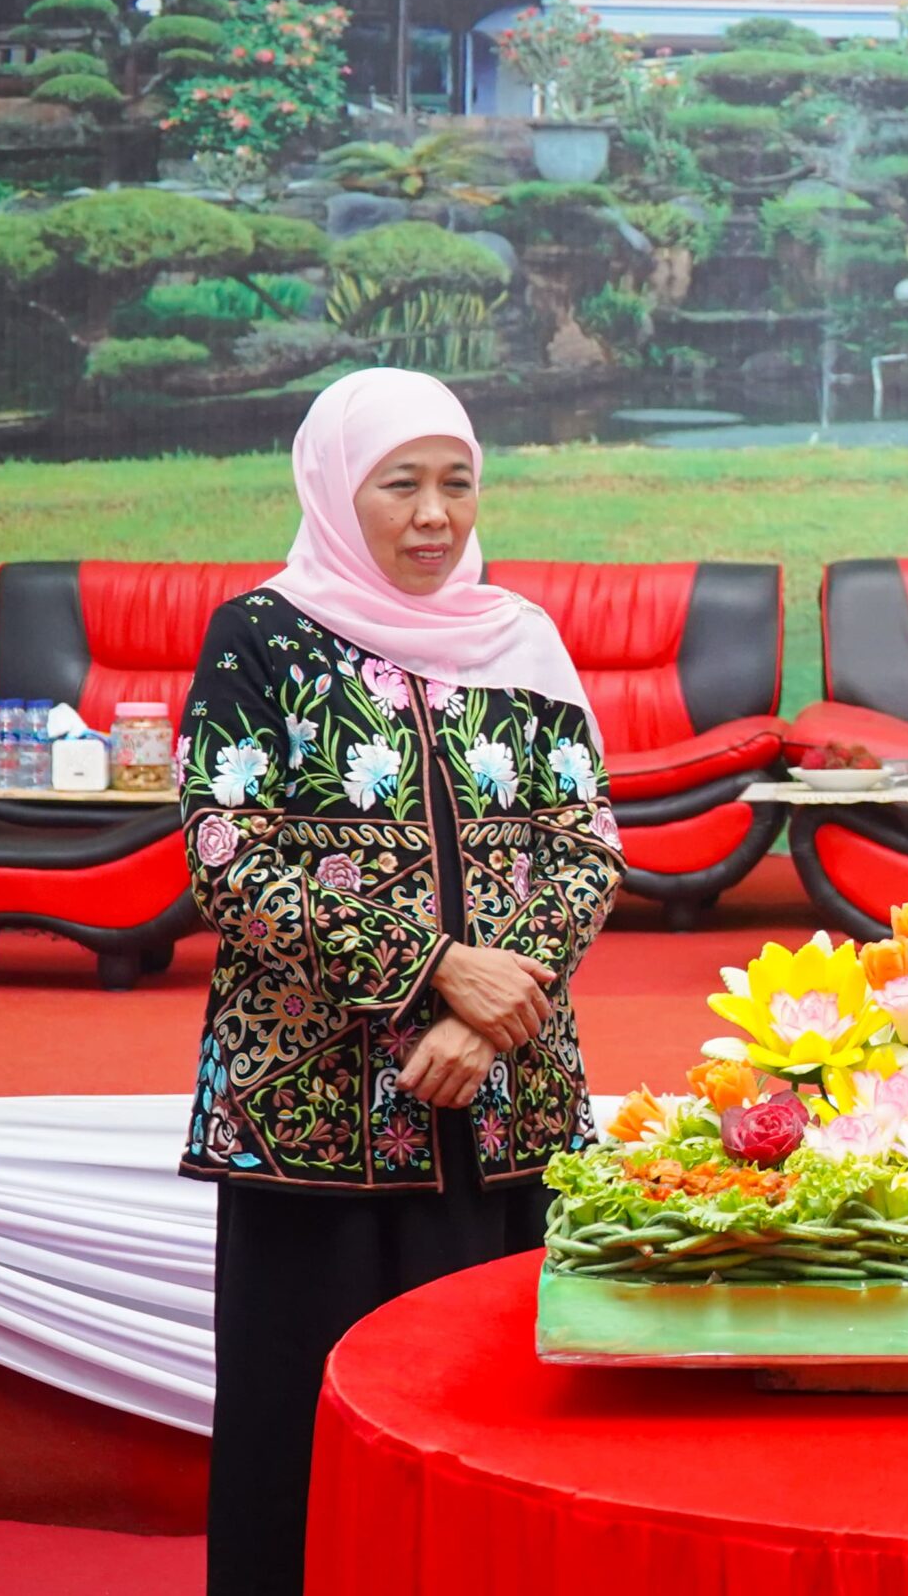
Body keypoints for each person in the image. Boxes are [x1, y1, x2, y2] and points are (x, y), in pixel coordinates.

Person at [179, 369, 624, 1594]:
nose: (435, 515)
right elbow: (227, 848)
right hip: (310, 1119)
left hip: (500, 1104)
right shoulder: (261, 635)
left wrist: (489, 1015)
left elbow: (587, 841)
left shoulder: (519, 639)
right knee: (304, 1421)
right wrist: (431, 969)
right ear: (336, 487)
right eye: (402, 484)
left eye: (457, 483)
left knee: (491, 1420)